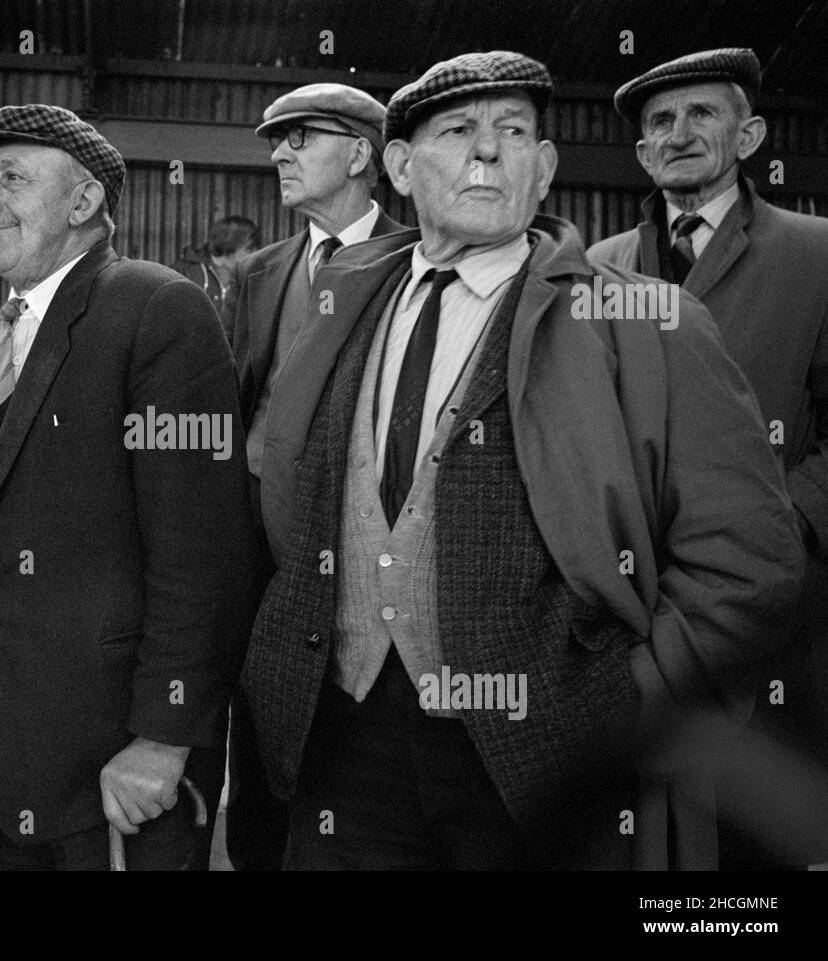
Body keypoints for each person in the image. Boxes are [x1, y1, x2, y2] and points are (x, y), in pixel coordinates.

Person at [238, 51, 804, 870]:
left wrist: (622, 704)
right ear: (399, 165)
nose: (488, 152)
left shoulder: (646, 321)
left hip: (543, 766)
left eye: (513, 133)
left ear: (543, 170)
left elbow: (750, 563)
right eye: (459, 130)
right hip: (345, 741)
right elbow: (289, 495)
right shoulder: (339, 303)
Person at [0, 104, 256, 871]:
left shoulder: (158, 309)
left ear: (84, 203)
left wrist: (163, 736)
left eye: (12, 177)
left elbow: (203, 552)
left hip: (113, 760)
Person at [588, 48, 828, 867]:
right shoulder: (597, 268)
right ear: (642, 153)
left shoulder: (818, 252)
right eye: (660, 122)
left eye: (703, 115)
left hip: (777, 612)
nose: (678, 133)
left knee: (759, 839)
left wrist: (775, 524)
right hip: (639, 609)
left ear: (752, 134)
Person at [224, 81, 408, 872]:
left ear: (363, 154)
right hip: (260, 567)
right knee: (263, 762)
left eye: (301, 136)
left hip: (360, 567)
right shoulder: (261, 273)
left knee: (346, 767)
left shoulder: (415, 262)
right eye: (276, 139)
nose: (280, 153)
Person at [171, 215, 261, 326]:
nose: (256, 254)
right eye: (250, 249)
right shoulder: (184, 274)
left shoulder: (257, 277)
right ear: (227, 248)